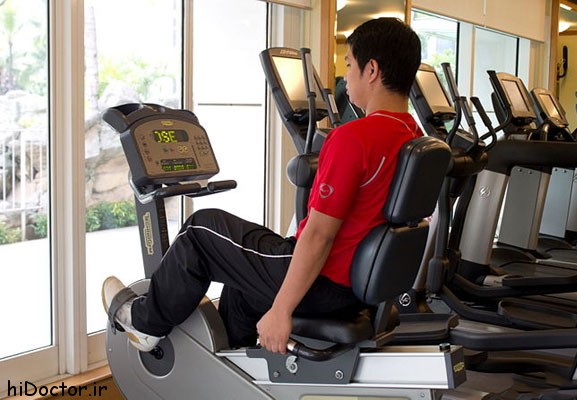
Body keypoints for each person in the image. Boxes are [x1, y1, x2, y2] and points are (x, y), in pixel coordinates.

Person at [102, 17, 422, 355]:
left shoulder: (354, 138)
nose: (346, 77)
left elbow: (319, 235)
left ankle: (145, 323)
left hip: (325, 282)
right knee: (242, 287)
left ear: (371, 70)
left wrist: (282, 311)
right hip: (357, 286)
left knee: (201, 230)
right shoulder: (413, 136)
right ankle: (234, 369)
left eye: (349, 65)